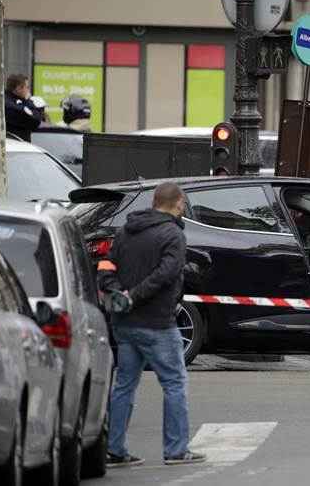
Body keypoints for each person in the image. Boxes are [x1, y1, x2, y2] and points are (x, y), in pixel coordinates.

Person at [98, 182, 206, 466]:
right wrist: (133, 296)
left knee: (124, 385)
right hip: (157, 322)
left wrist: (118, 294)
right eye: (183, 205)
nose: (183, 210)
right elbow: (167, 274)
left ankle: (115, 450)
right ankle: (176, 450)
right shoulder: (172, 234)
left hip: (124, 323)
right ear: (176, 203)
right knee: (174, 383)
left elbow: (107, 267)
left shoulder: (125, 231)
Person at [4, 74, 43, 141]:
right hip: (14, 145)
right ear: (18, 88)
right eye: (27, 87)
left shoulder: (23, 101)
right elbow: (34, 121)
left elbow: (37, 118)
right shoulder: (7, 103)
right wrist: (27, 102)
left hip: (22, 146)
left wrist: (27, 101)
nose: (28, 90)